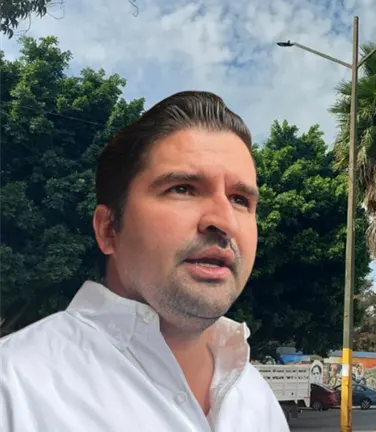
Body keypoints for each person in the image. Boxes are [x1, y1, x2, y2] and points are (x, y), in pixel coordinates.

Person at [0, 91, 289, 431]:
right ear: (109, 229)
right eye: (183, 188)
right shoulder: (14, 388)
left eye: (240, 199)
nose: (224, 222)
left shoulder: (256, 400)